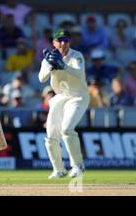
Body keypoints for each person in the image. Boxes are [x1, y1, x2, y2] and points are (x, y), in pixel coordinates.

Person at [38, 28, 89, 179]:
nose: (63, 43)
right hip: (60, 97)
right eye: (59, 41)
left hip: (78, 97)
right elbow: (42, 78)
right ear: (53, 42)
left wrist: (63, 65)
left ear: (69, 42)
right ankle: (58, 169)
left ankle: (77, 166)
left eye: (66, 40)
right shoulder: (49, 58)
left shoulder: (76, 55)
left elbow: (79, 73)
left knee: (67, 129)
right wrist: (51, 65)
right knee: (51, 135)